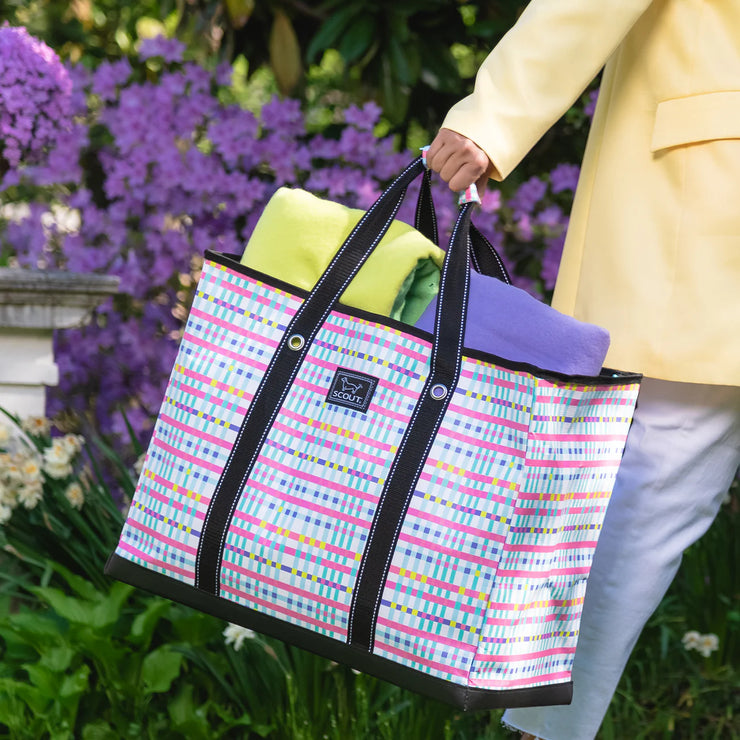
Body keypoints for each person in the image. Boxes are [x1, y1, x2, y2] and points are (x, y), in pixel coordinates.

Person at [425, 1, 740, 739]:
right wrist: (496, 113)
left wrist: (495, 111)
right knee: (659, 481)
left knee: (658, 482)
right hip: (717, 192)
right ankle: (543, 730)